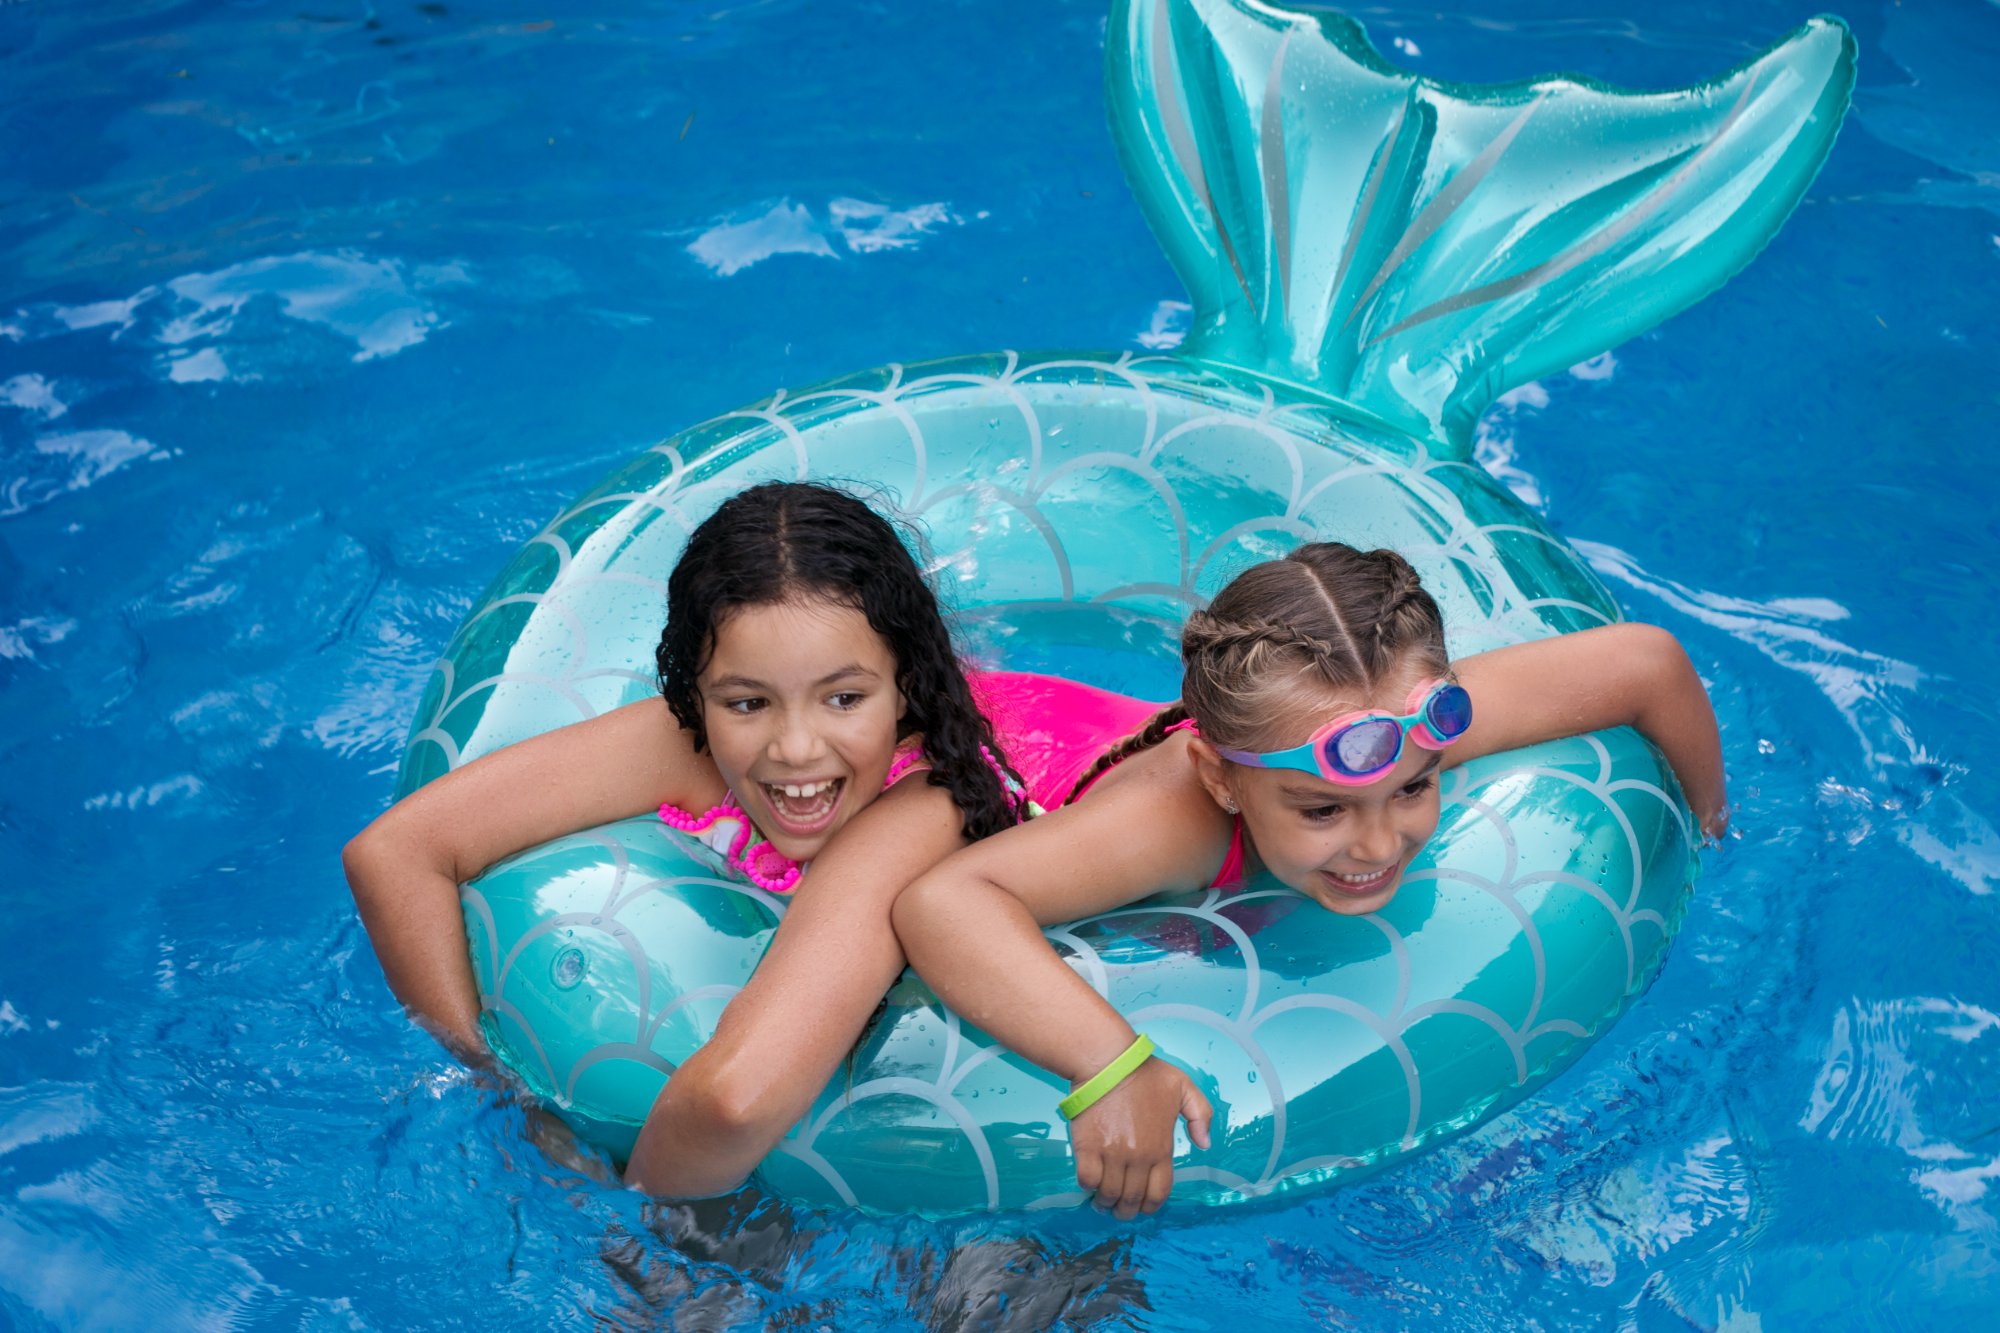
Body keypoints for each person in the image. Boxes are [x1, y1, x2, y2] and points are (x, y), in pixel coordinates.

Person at [889, 542, 1727, 1219]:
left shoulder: (1392, 725)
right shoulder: (1170, 824)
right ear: (1224, 779)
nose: (1380, 841)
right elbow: (943, 901)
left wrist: (1710, 828)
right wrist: (1111, 1064)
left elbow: (1647, 663)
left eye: (1415, 790)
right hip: (997, 764)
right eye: (1322, 812)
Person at [342, 481, 1026, 1197]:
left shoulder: (926, 805)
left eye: (845, 698)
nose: (795, 747)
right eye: (748, 701)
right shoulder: (690, 744)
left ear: (907, 687)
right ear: (694, 694)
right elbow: (393, 853)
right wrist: (500, 1088)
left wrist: (627, 1239)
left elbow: (734, 1100)